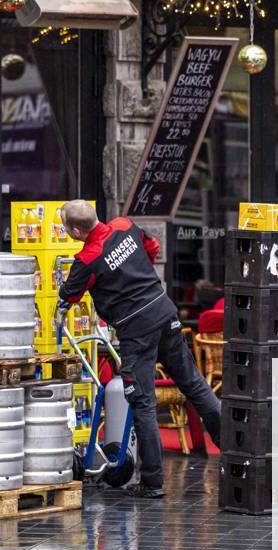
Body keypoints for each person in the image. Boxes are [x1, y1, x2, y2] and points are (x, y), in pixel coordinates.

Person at [55, 200, 221, 499]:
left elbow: (70, 294)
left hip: (136, 331)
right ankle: (233, 449)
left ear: (76, 231)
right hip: (164, 312)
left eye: (66, 227)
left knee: (142, 403)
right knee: (194, 384)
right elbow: (153, 247)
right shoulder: (125, 225)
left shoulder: (88, 258)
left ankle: (153, 482)